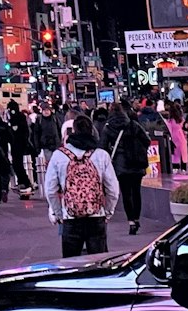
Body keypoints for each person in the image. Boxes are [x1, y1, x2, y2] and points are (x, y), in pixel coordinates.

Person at [43, 119, 116, 259]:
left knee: (71, 264)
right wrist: (108, 212)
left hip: (70, 217)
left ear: (73, 131)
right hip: (96, 216)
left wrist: (59, 214)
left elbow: (50, 189)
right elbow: (113, 189)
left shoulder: (59, 155)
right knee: (99, 264)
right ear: (92, 131)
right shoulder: (101, 155)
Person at [103, 101, 150, 236]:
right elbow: (146, 140)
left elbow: (103, 147)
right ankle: (136, 218)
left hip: (121, 165)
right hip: (136, 163)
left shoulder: (109, 127)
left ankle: (131, 221)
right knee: (136, 192)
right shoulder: (133, 124)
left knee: (126, 193)